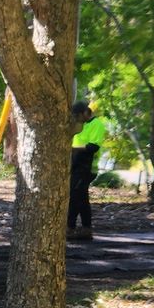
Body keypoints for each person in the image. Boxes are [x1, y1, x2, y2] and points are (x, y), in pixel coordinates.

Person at [68, 101, 106, 240]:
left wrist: (71, 149)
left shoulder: (97, 125)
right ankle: (86, 228)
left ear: (85, 113)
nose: (77, 120)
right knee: (82, 198)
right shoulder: (81, 125)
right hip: (76, 165)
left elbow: (93, 147)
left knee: (74, 196)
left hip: (87, 167)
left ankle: (69, 227)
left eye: (78, 116)